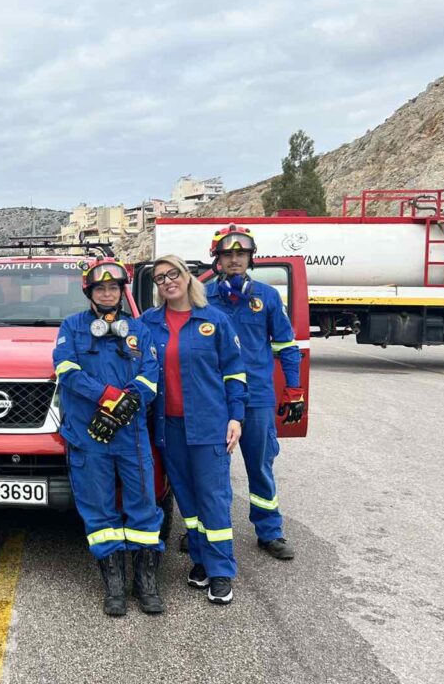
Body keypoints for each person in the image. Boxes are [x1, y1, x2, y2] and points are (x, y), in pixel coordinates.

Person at [52, 258, 164, 617]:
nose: (107, 293)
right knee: (99, 512)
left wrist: (129, 400)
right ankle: (114, 586)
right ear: (89, 292)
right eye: (100, 288)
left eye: (113, 287)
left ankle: (145, 584)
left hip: (131, 435)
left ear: (121, 292)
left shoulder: (139, 330)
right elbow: (66, 370)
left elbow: (150, 373)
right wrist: (107, 397)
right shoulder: (71, 326)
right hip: (89, 434)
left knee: (144, 508)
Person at [139, 254, 247, 605]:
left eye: (173, 274)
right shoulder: (148, 323)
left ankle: (220, 572)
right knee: (186, 500)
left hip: (209, 425)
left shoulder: (214, 321)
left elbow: (234, 372)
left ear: (187, 277)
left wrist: (236, 417)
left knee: (213, 499)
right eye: (159, 278)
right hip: (168, 427)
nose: (167, 281)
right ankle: (200, 560)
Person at [206, 224, 302, 560]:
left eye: (241, 253)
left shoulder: (268, 296)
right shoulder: (203, 297)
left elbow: (287, 346)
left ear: (250, 258)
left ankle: (269, 531)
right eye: (228, 254)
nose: (235, 259)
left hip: (257, 397)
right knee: (212, 469)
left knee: (260, 465)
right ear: (217, 259)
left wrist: (294, 389)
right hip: (214, 398)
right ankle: (208, 530)